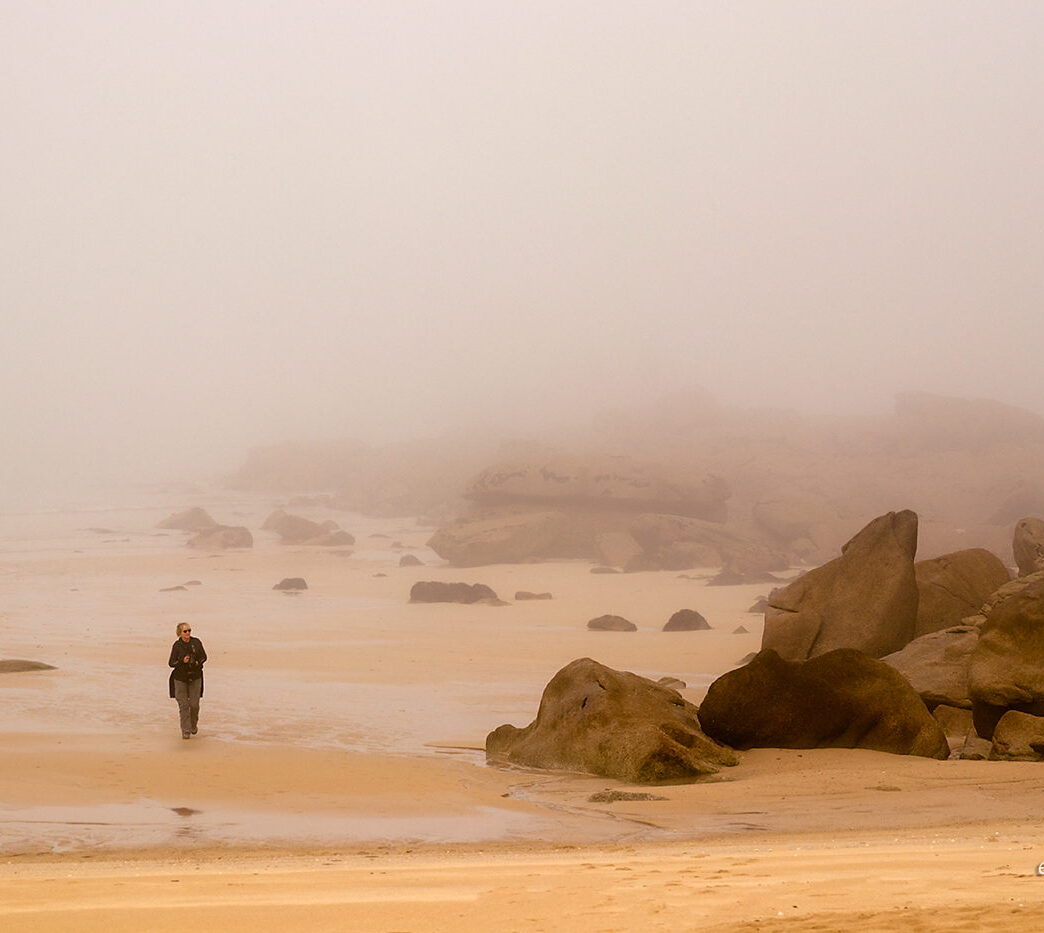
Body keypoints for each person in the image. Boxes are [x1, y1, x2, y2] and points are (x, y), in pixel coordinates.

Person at [168, 621, 206, 739]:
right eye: (185, 631)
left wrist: (197, 662)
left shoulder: (197, 642)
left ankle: (193, 725)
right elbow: (171, 663)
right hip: (180, 678)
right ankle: (186, 730)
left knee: (194, 705)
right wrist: (182, 661)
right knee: (184, 705)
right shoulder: (177, 646)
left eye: (189, 630)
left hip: (195, 676)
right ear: (180, 633)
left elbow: (204, 657)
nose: (188, 633)